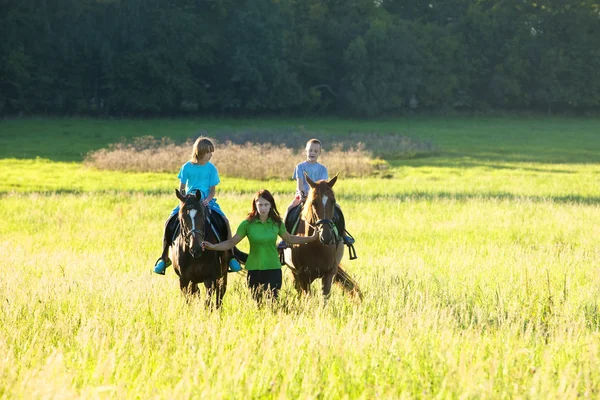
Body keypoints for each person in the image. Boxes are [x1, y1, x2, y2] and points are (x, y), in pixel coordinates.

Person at [203, 189, 319, 302]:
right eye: (260, 205)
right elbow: (231, 242)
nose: (263, 208)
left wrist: (311, 238)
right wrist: (213, 247)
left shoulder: (277, 223)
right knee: (257, 304)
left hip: (273, 269)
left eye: (266, 205)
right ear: (255, 205)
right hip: (254, 270)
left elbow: (290, 238)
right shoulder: (247, 224)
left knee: (272, 302)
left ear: (271, 205)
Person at [153, 136, 242, 275]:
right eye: (208, 152)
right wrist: (183, 200)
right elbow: (182, 187)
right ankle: (164, 257)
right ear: (200, 152)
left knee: (224, 220)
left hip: (206, 201)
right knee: (169, 222)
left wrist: (208, 199)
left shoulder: (211, 168)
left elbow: (212, 190)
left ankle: (229, 255)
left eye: (211, 152)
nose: (211, 155)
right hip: (188, 201)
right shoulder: (186, 167)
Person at [280, 138, 354, 248]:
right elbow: (300, 184)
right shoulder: (300, 167)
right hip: (302, 196)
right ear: (306, 151)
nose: (312, 153)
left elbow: (323, 186)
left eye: (315, 151)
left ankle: (343, 234)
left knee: (337, 208)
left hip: (318, 197)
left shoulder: (322, 169)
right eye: (310, 150)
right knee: (290, 209)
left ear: (319, 152)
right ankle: (284, 238)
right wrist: (302, 195)